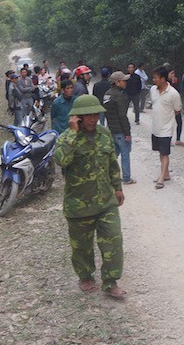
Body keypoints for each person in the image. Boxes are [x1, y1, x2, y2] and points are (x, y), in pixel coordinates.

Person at [53, 94, 126, 299]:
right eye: (88, 116)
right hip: (79, 205)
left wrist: (117, 187)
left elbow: (112, 163)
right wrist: (73, 134)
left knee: (113, 241)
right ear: (77, 117)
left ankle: (110, 282)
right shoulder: (67, 137)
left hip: (105, 202)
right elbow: (61, 160)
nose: (93, 119)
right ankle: (85, 277)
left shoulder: (104, 134)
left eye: (95, 114)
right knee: (82, 248)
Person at [150, 65, 182, 189]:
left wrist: (168, 118)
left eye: (156, 78)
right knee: (160, 152)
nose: (154, 80)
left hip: (166, 129)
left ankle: (161, 178)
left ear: (163, 79)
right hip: (155, 127)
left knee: (165, 154)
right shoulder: (153, 90)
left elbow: (178, 110)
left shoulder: (173, 93)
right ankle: (166, 173)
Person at [103, 71, 136, 185]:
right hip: (121, 131)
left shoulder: (107, 94)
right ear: (117, 82)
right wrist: (127, 133)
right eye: (123, 80)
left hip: (111, 128)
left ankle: (107, 175)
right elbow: (122, 116)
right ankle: (126, 178)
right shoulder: (120, 96)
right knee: (125, 154)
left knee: (113, 155)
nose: (125, 82)